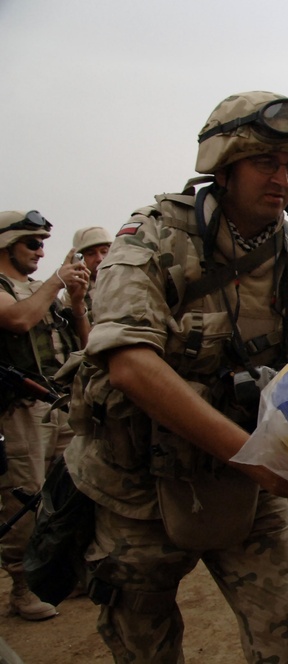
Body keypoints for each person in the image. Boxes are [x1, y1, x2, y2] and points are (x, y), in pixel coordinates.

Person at [63, 91, 288, 663]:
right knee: (145, 647)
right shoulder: (151, 239)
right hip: (139, 488)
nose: (283, 178)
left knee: (283, 639)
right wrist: (253, 457)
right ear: (224, 165)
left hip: (248, 488)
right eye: (267, 162)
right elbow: (128, 362)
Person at [0, 210, 90, 620]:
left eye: (42, 243)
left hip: (58, 400)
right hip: (19, 409)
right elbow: (17, 320)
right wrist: (57, 279)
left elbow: (83, 343)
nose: (39, 251)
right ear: (6, 245)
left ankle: (72, 572)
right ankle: (22, 588)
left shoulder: (40, 291)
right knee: (26, 493)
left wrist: (75, 302)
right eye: (30, 243)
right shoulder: (7, 290)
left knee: (76, 486)